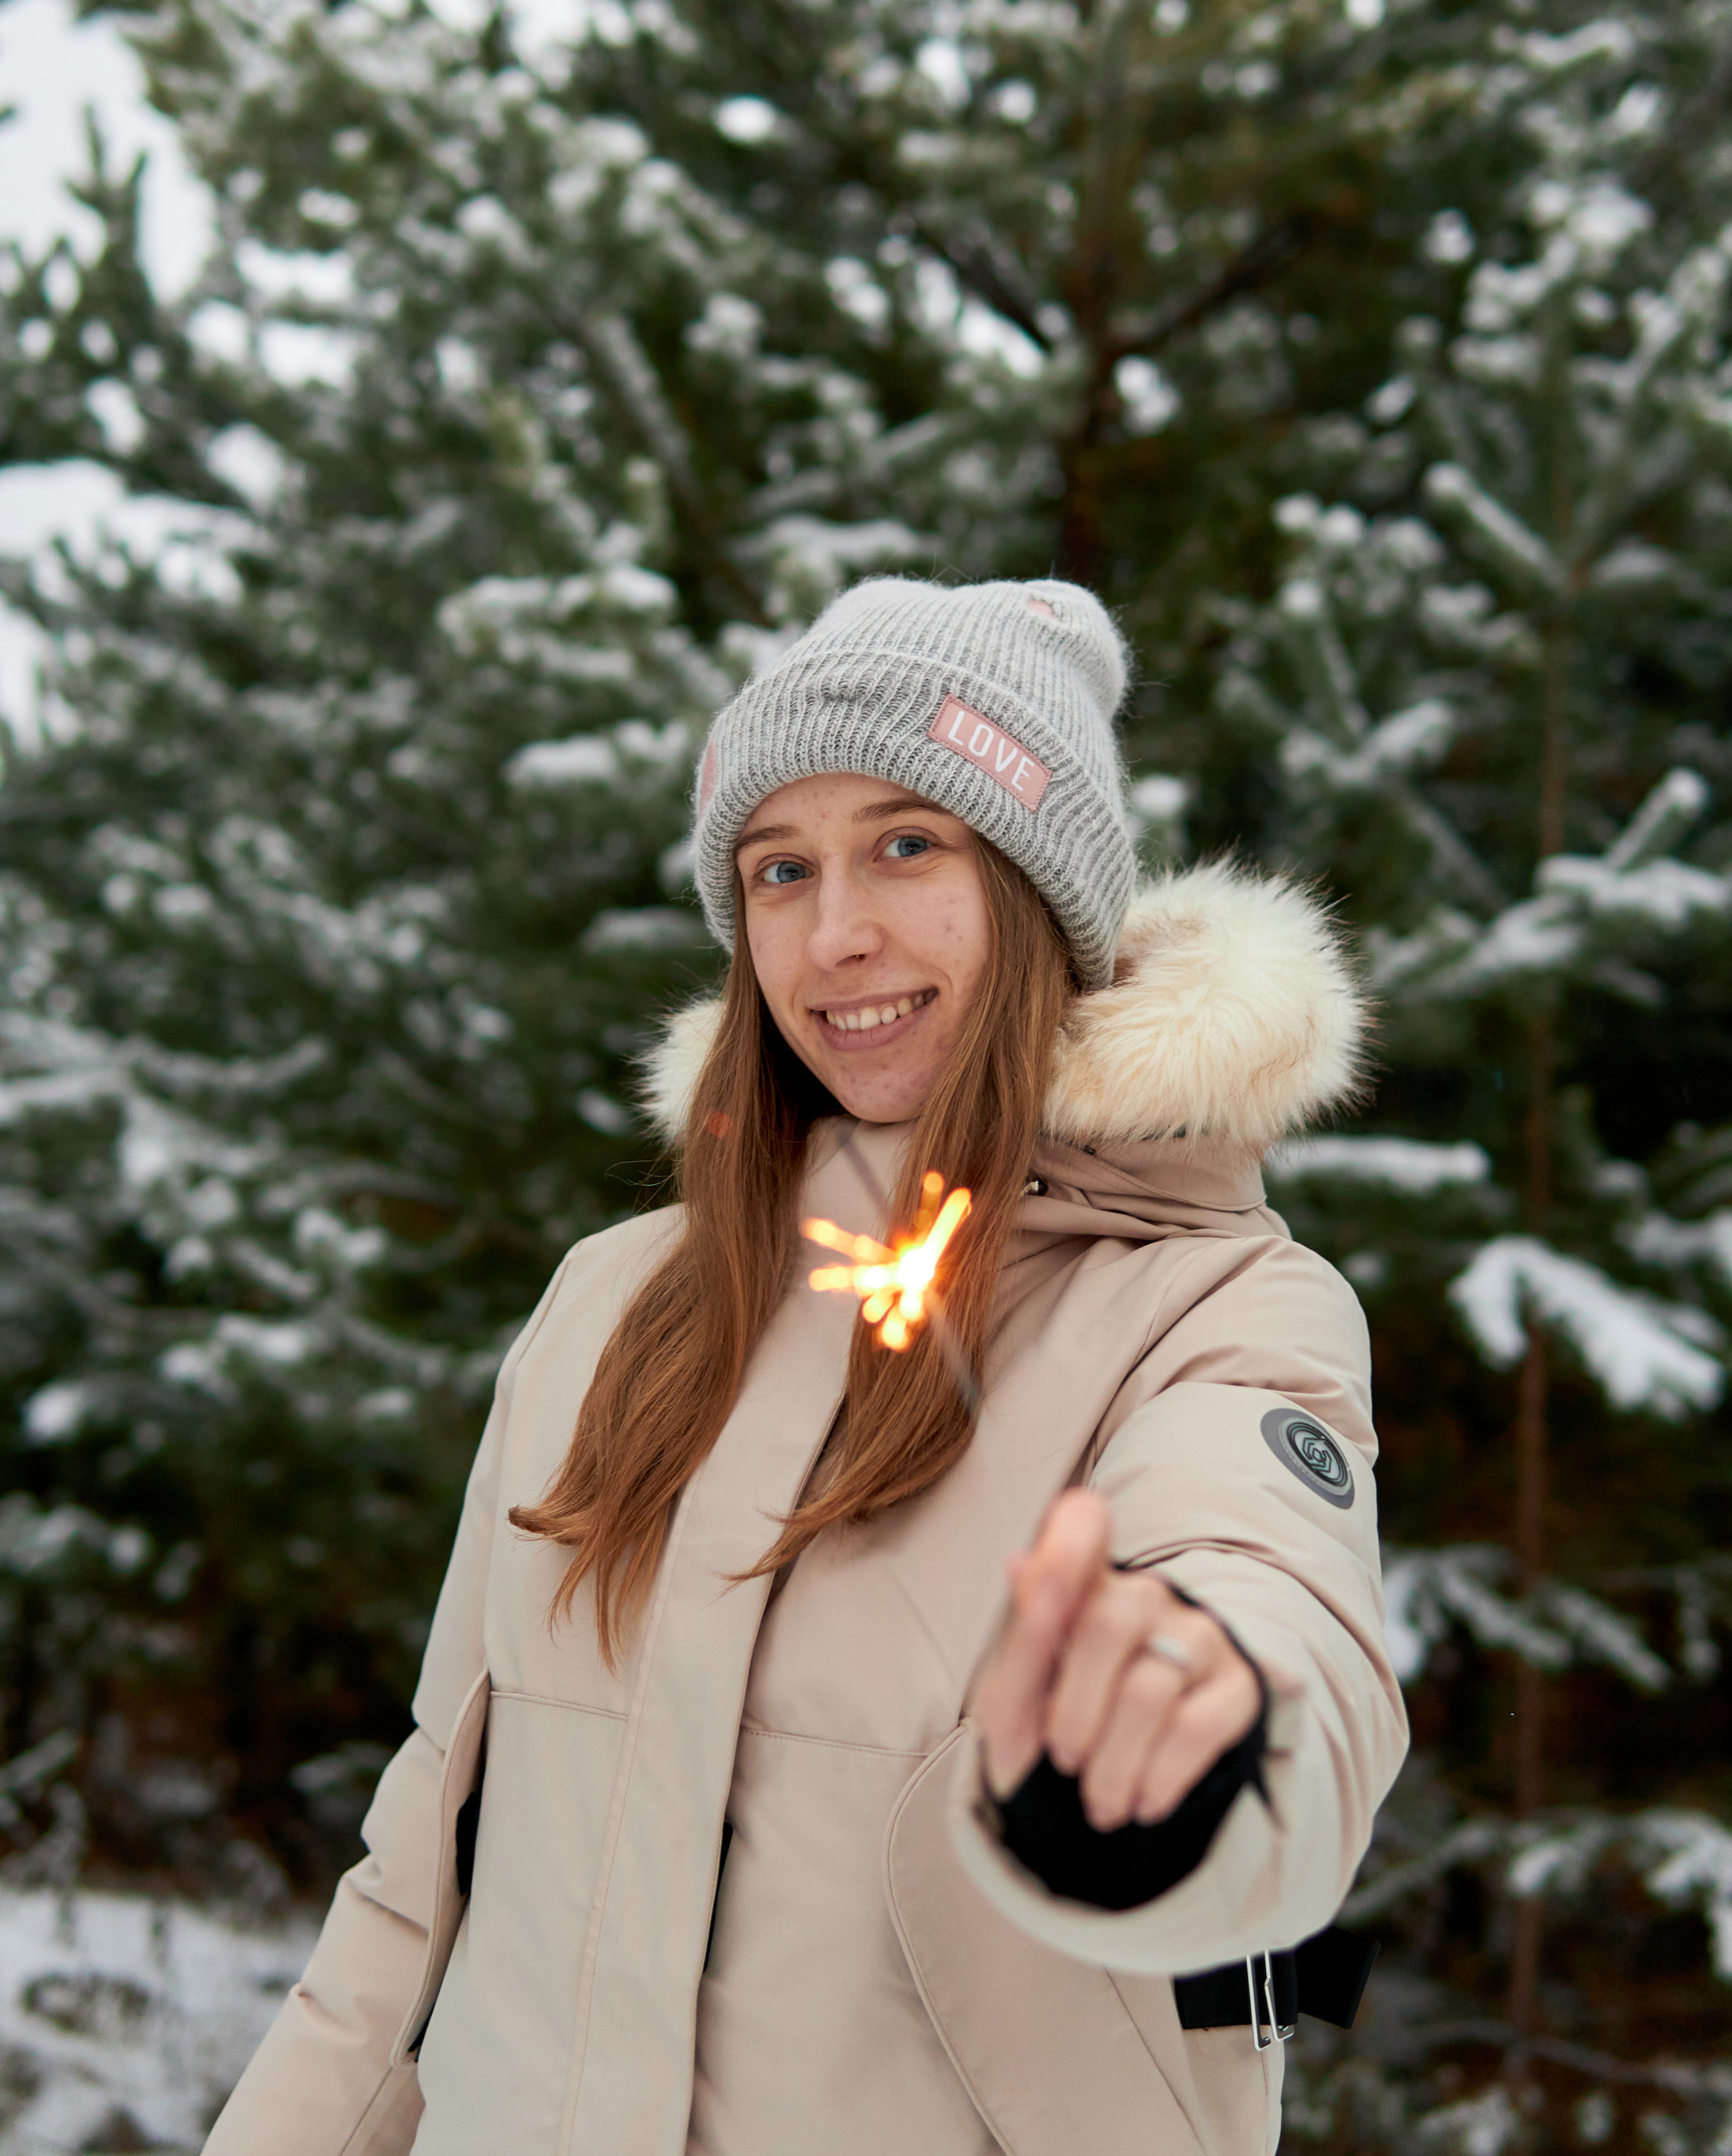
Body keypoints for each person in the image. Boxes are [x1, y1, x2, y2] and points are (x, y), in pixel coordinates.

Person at [204, 577, 1407, 2156]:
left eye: (909, 843)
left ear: (1046, 894)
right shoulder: (611, 1303)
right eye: (781, 868)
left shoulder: (1216, 1307)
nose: (836, 932)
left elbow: (1276, 1605)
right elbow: (418, 1865)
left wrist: (1190, 1717)